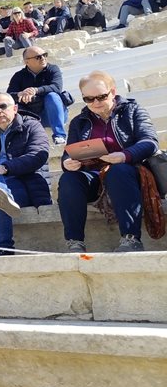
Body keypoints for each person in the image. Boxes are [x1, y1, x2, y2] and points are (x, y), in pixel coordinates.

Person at [58, 71, 159, 253]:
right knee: (68, 179)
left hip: (127, 171)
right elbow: (69, 152)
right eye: (89, 99)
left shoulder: (133, 110)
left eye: (101, 97)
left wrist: (124, 155)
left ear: (112, 92)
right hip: (94, 174)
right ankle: (74, 242)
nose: (95, 103)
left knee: (118, 171)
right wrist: (67, 162)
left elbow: (149, 142)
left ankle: (131, 239)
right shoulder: (78, 122)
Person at [0, 93, 52, 255]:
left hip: (24, 185)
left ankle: (3, 246)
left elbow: (38, 156)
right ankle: (0, 194)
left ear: (15, 108)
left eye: (3, 106)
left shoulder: (32, 126)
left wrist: (4, 168)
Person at [7, 47, 70, 144]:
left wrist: (36, 90)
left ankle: (59, 136)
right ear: (26, 62)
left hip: (53, 113)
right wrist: (20, 94)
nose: (43, 58)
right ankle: (19, 142)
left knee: (52, 96)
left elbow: (57, 87)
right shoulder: (19, 76)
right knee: (12, 106)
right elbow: (8, 96)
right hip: (33, 117)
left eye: (44, 55)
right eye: (38, 57)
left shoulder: (53, 69)